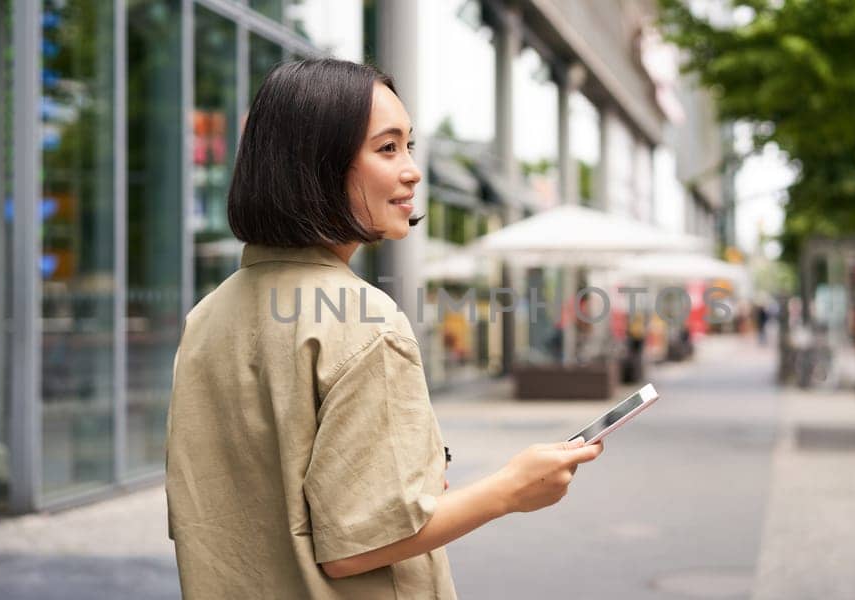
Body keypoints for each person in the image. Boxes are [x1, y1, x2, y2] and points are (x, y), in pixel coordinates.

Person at [165, 59, 603, 599]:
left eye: (409, 146)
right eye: (387, 148)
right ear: (319, 165)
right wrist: (511, 489)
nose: (413, 170)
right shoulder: (361, 318)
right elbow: (359, 547)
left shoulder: (210, 313)